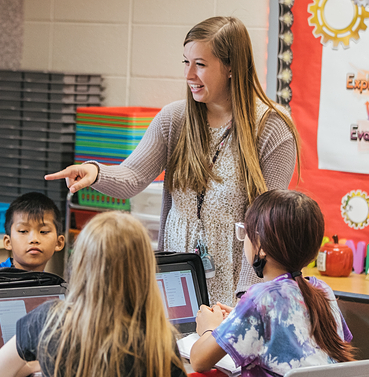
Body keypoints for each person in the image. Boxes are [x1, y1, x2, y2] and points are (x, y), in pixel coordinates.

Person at [45, 16, 301, 307]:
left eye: (201, 65)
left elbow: (266, 226)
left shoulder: (272, 127)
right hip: (177, 278)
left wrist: (247, 297)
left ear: (232, 67)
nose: (189, 75)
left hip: (238, 287)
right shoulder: (174, 119)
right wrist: (95, 171)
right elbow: (133, 176)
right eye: (185, 62)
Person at [0, 211, 187, 377]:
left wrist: (40, 361)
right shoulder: (158, 338)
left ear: (80, 263)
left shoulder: (48, 321)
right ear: (145, 269)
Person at [190, 189, 355, 377]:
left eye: (246, 231)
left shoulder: (259, 299)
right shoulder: (322, 289)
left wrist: (210, 328)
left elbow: (199, 360)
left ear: (260, 246)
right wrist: (237, 318)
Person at [0, 192, 65, 272]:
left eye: (44, 231)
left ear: (58, 243)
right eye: (23, 231)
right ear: (8, 242)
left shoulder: (54, 283)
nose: (34, 239)